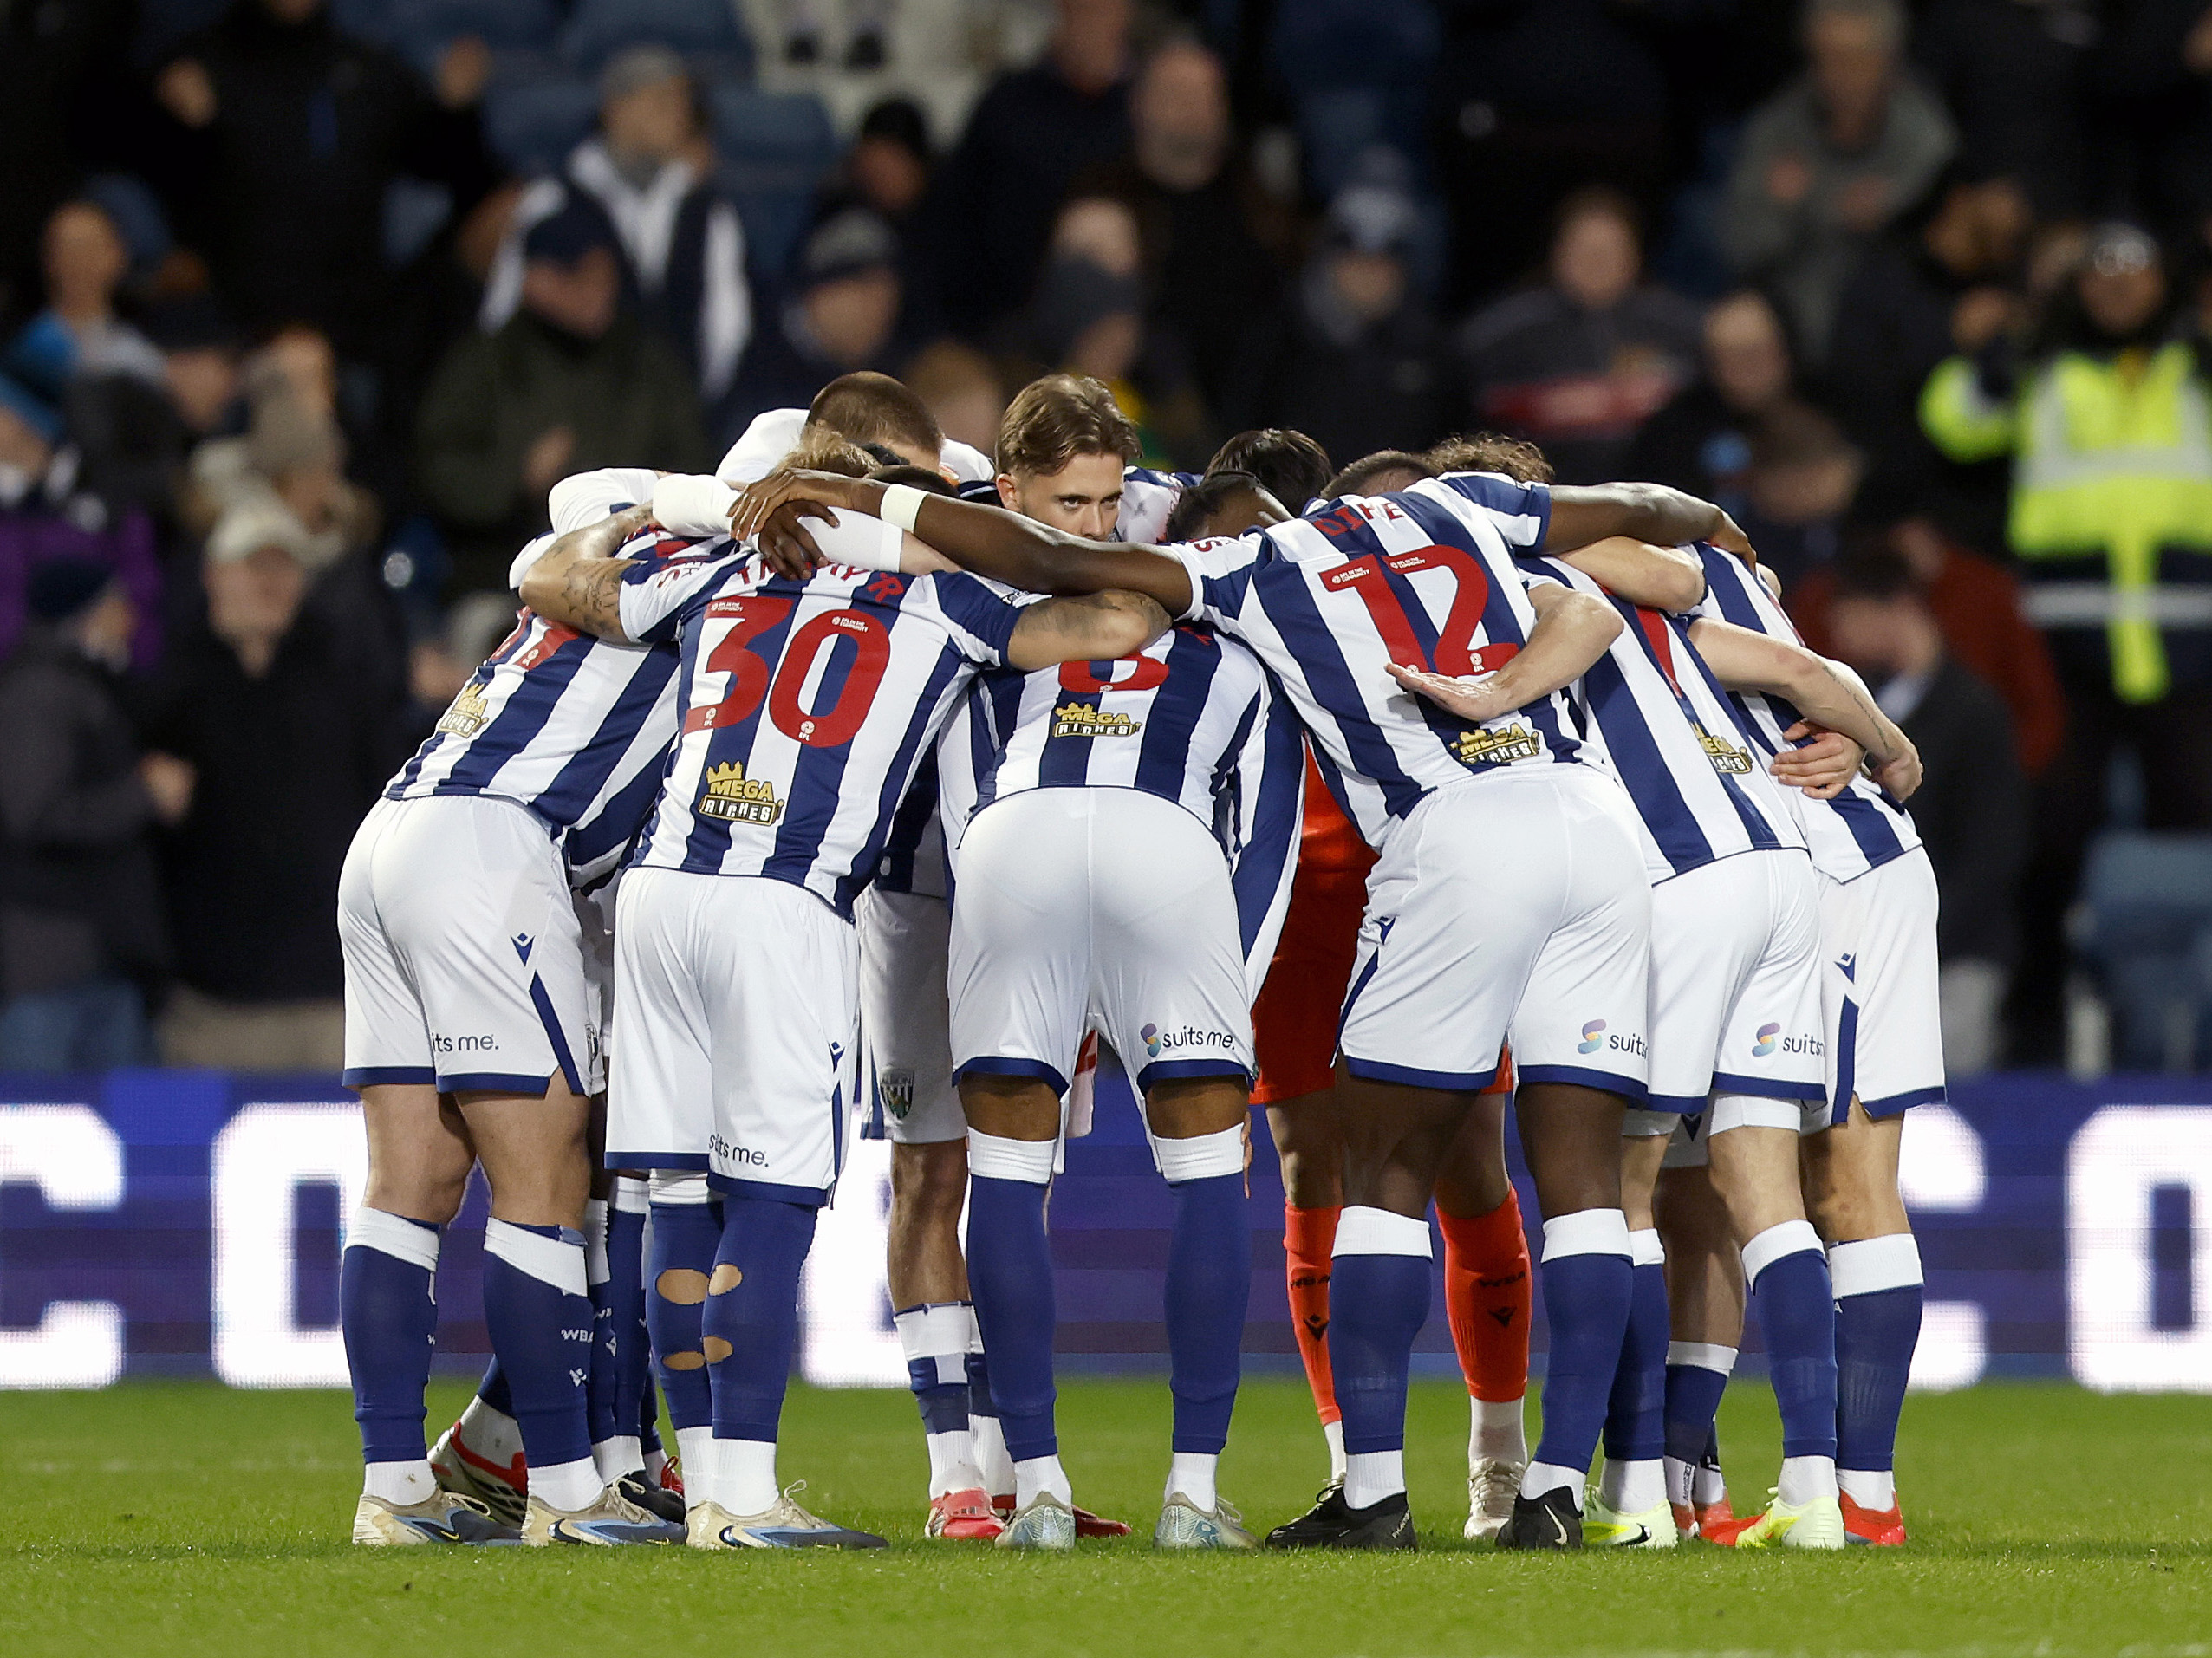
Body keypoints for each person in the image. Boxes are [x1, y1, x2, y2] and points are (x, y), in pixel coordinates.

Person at [732, 455, 1756, 1551]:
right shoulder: (1458, 502)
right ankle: (1569, 1489)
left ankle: (1367, 1491)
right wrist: (1720, 523)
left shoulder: (1264, 562)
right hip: (1592, 827)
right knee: (1588, 1185)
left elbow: (1050, 563)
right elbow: (1646, 508)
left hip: (1452, 828)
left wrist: (875, 502)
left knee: (1380, 1172)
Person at [517, 458, 1171, 1554]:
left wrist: (648, 513)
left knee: (677, 1192)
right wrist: (957, 537)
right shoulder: (946, 599)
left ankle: (701, 1484)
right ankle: (745, 1495)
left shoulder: (723, 573)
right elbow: (1122, 614)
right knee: (769, 1202)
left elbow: (551, 578)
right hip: (786, 900)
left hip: (661, 893)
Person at [933, 388, 1304, 1551]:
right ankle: (1193, 1494)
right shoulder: (1240, 637)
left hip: (1013, 840)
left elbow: (961, 789)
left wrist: (986, 929)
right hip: (1167, 842)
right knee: (1204, 1175)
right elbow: (1271, 831)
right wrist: (1223, 994)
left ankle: (1031, 1489)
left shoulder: (1006, 619)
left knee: (1003, 1167)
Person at [336, 472, 693, 1547]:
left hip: (389, 834)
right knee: (545, 1176)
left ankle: (395, 1486)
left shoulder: (560, 602)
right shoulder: (703, 582)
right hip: (494, 847)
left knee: (411, 1181)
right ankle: (568, 1491)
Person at [1673, 540, 1948, 1550]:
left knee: (1737, 1180)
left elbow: (1801, 673)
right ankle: (1839, 1494)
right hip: (1845, 859)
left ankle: (1813, 1488)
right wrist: (1870, 737)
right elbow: (1803, 671)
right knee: (1817, 1187)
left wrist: (1878, 742)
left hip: (1808, 872)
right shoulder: (1709, 586)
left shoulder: (1610, 587)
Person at [1919, 221, 2212, 1058]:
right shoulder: (2041, 366)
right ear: (2078, 286)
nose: (2117, 291)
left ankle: (2185, 1035)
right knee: (2048, 843)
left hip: (2189, 650)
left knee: (2197, 840)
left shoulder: (2196, 369)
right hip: (2067, 654)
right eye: (2101, 276)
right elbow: (1951, 419)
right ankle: (2036, 1027)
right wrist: (2002, 347)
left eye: (2136, 274)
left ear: (2165, 282)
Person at [141, 498, 413, 1071]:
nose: (271, 582)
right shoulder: (165, 683)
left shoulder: (345, 678)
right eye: (254, 566)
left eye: (286, 567)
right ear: (215, 574)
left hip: (330, 1000)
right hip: (210, 1006)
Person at [147, 0, 496, 359]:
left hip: (353, 332)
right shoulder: (195, 67)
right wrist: (172, 121)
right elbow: (141, 168)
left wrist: (457, 113)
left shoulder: (367, 70)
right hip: (229, 328)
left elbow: (455, 175)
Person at [415, 200, 711, 593]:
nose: (600, 290)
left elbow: (696, 468)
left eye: (606, 275)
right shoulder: (486, 365)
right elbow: (439, 474)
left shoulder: (648, 367)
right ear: (538, 279)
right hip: (505, 577)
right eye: (582, 276)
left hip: (639, 576)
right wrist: (518, 479)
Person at [1821, 548, 2025, 1075]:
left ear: (1896, 608)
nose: (1837, 632)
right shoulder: (1857, 704)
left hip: (1954, 955)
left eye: (1846, 614)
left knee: (1945, 1106)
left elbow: (1994, 846)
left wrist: (1923, 928)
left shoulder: (1975, 709)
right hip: (1866, 952)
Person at [481, 46, 750, 413]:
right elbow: (503, 313)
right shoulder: (551, 200)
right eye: (661, 101)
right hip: (568, 425)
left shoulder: (706, 210)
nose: (679, 116)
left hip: (672, 431)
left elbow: (727, 332)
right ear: (616, 108)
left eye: (683, 103)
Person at [0, 560, 173, 1070]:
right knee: (40, 1136)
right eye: (117, 605)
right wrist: (142, 794)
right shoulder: (40, 692)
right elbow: (33, 814)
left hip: (94, 957)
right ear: (86, 614)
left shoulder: (80, 685)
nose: (130, 620)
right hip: (53, 968)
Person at [1721, 0, 1955, 367]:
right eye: (1824, 59)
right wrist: (1784, 211)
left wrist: (1889, 214)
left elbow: (1945, 249)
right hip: (1793, 327)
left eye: (1854, 60)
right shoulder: (1778, 130)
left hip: (1893, 328)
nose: (1837, 76)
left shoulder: (1924, 135)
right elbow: (1742, 249)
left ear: (1889, 62)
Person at [1458, 189, 1701, 484]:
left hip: (1659, 500)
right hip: (1544, 502)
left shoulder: (1683, 330)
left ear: (1635, 255)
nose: (1596, 263)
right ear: (1557, 254)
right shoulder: (1500, 336)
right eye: (1584, 251)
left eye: (1609, 251)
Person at [925, 0, 1135, 337]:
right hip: (1006, 328)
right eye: (1084, 10)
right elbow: (952, 220)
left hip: (1122, 333)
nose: (1095, 23)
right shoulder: (1008, 104)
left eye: (1106, 10)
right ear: (1062, 11)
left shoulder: (1146, 109)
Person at [1253, 174, 1454, 467]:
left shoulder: (1432, 351)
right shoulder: (1281, 338)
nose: (1369, 274)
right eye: (1356, 258)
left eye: (1383, 260)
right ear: (1329, 262)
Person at [723, 209, 911, 437]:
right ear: (819, 293)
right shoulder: (750, 367)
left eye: (888, 295)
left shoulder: (894, 372)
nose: (879, 311)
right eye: (864, 292)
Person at [1625, 290, 1797, 517]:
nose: (1741, 372)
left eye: (1752, 355)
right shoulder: (1673, 431)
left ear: (1784, 352)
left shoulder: (1829, 412)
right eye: (1725, 358)